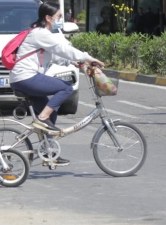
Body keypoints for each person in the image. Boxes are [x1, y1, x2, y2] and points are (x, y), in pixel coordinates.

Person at [9, 2, 104, 167]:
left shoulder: (39, 34)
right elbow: (62, 48)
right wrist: (87, 57)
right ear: (48, 17)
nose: (60, 19)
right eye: (59, 17)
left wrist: (71, 62)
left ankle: (49, 153)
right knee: (66, 87)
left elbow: (52, 56)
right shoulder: (41, 33)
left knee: (52, 113)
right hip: (26, 77)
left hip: (24, 77)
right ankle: (42, 118)